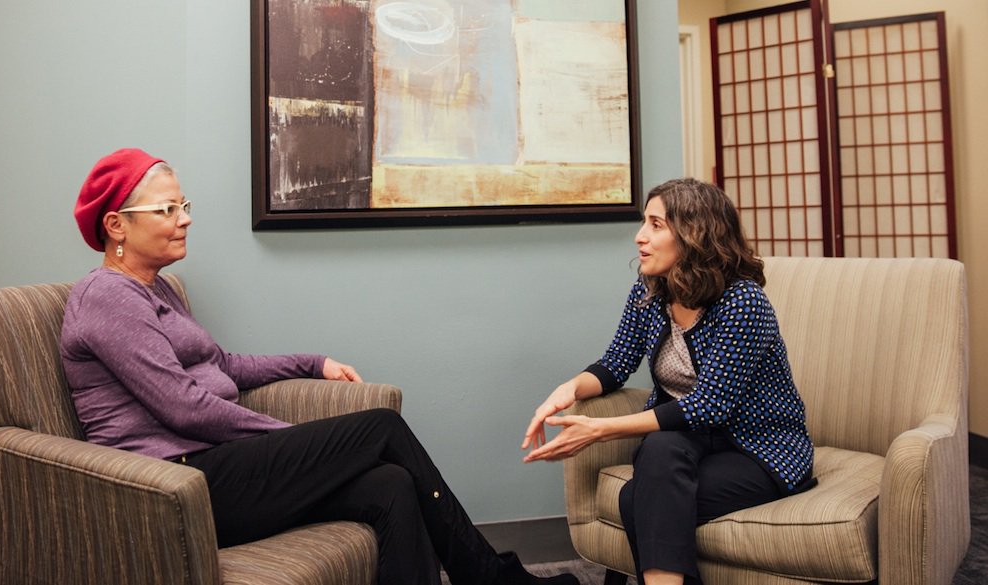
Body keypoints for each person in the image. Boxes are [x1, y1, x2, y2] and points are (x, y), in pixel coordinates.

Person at [61, 148, 579, 585]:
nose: (186, 218)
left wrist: (313, 362)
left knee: (391, 484)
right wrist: (287, 438)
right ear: (115, 225)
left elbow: (224, 366)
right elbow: (184, 409)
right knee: (379, 425)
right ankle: (491, 577)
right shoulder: (108, 296)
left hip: (218, 468)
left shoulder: (158, 289)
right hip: (178, 483)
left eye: (185, 204)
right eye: (168, 208)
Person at [521, 178, 816, 585]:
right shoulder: (648, 292)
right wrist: (567, 390)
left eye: (656, 225)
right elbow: (615, 363)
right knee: (659, 452)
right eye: (644, 223)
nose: (640, 237)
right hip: (688, 443)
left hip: (758, 450)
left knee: (635, 498)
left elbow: (709, 406)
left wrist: (600, 431)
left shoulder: (743, 302)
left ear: (696, 234)